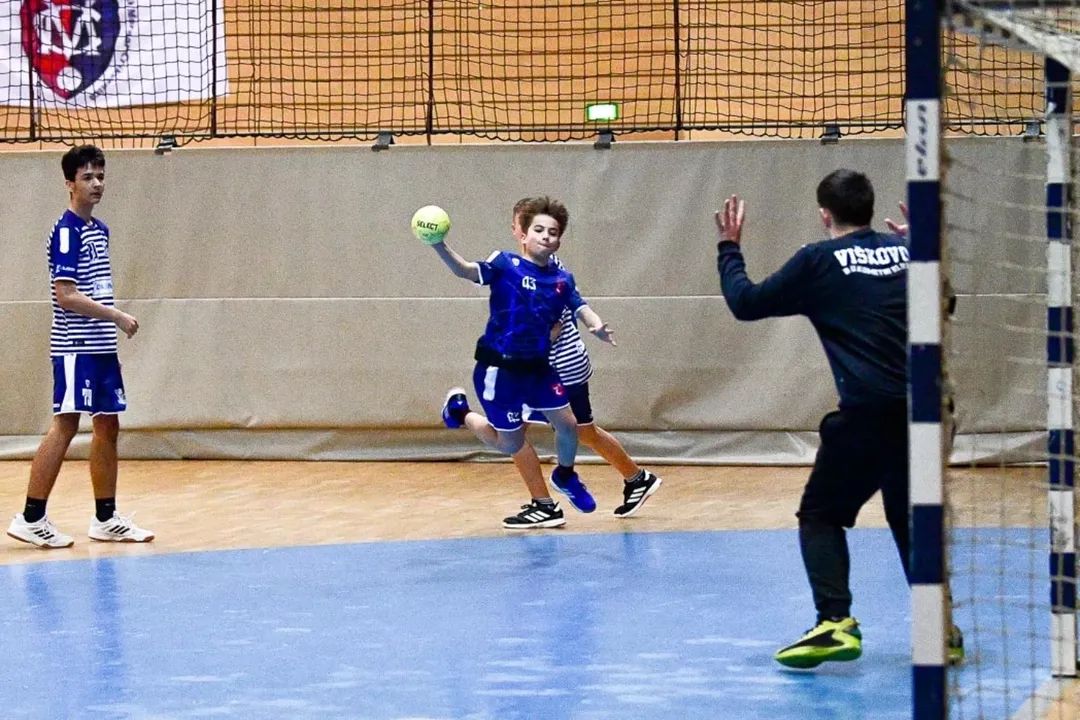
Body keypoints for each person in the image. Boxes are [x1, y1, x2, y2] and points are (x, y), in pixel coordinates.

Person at [713, 169, 960, 668]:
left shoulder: (819, 260)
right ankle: (942, 633)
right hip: (926, 414)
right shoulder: (908, 254)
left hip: (869, 415)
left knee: (821, 515)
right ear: (871, 208)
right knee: (910, 520)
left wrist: (728, 248)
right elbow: (947, 304)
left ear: (824, 214)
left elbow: (746, 303)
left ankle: (835, 622)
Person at [433, 196, 614, 529]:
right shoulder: (505, 264)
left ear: (559, 240)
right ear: (524, 235)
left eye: (553, 232)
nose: (546, 236)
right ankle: (460, 413)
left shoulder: (561, 279)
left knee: (568, 425)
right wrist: (438, 245)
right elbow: (465, 270)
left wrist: (596, 325)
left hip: (539, 368)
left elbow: (580, 306)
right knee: (510, 443)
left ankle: (565, 474)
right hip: (499, 370)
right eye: (539, 230)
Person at [7, 145, 154, 549]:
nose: (96, 184)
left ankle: (105, 518)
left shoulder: (99, 230)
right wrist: (116, 315)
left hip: (101, 348)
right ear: (69, 183)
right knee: (66, 424)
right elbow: (66, 295)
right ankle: (31, 516)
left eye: (100, 176)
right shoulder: (67, 232)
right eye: (87, 177)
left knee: (108, 425)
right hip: (75, 346)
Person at [506, 199, 662, 517]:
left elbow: (550, 328)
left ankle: (544, 505)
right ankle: (637, 478)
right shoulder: (539, 264)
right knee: (583, 431)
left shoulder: (539, 273)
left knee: (511, 432)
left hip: (554, 370)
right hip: (569, 366)